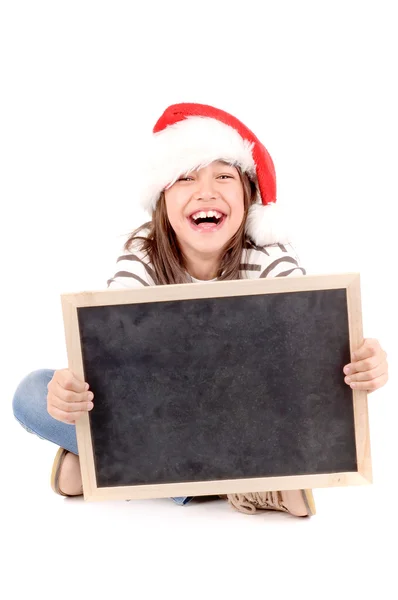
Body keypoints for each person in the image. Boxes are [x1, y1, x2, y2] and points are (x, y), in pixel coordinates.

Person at [12, 102, 389, 517]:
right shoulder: (142, 257)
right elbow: (108, 358)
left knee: (259, 413)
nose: (206, 191)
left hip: (240, 415)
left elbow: (310, 344)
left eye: (224, 176)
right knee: (32, 392)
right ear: (163, 201)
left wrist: (361, 364)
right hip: (159, 414)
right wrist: (69, 392)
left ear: (248, 199)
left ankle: (104, 467)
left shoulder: (269, 256)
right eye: (186, 177)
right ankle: (233, 487)